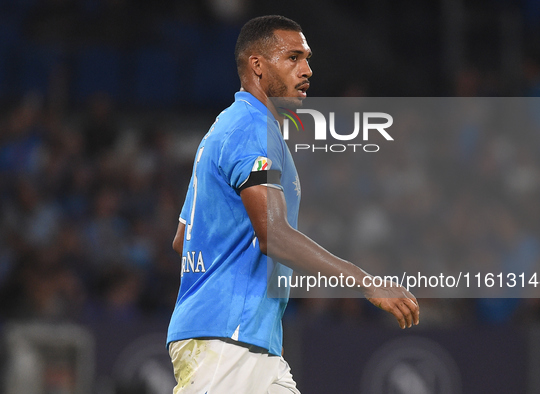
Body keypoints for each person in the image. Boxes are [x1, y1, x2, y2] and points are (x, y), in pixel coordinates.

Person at [169, 15, 419, 394]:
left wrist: (260, 322)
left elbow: (184, 237)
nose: (307, 70)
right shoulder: (250, 127)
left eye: (307, 58)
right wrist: (366, 282)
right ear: (257, 66)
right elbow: (273, 235)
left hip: (246, 339)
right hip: (227, 339)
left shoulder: (226, 128)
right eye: (293, 58)